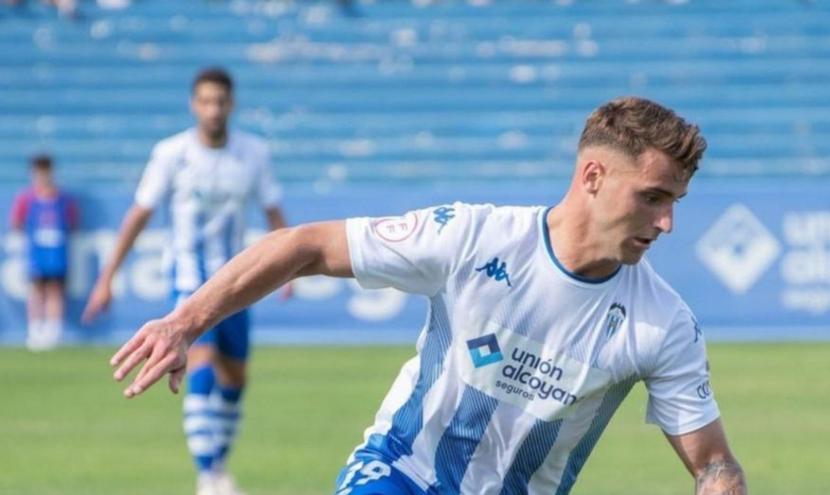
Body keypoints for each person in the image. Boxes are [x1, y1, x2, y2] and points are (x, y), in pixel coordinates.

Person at [108, 97, 748, 494]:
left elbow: (712, 464)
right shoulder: (472, 235)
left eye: (675, 203)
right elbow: (303, 244)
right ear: (593, 176)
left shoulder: (664, 323)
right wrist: (185, 320)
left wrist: (720, 483)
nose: (667, 224)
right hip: (400, 474)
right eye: (653, 198)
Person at [82, 67, 291, 495]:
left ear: (231, 104)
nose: (213, 109)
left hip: (236, 282)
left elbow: (273, 211)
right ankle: (209, 474)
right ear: (194, 104)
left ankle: (217, 467)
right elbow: (138, 216)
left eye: (220, 101)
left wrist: (288, 268)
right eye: (206, 101)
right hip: (187, 279)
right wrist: (107, 277)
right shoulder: (170, 153)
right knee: (200, 360)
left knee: (235, 378)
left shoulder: (253, 153)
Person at [9, 154, 78, 351]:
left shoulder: (63, 198)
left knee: (56, 289)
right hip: (37, 253)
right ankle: (35, 330)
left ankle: (54, 330)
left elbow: (72, 223)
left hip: (57, 253)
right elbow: (16, 222)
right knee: (36, 290)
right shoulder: (27, 198)